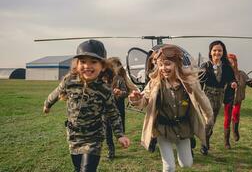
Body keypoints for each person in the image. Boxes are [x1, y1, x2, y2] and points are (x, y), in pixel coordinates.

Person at [42, 40, 130, 172]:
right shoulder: (69, 81)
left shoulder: (104, 89)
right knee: (78, 168)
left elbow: (113, 113)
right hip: (74, 135)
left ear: (103, 66)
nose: (87, 66)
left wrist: (120, 134)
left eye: (93, 62)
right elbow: (57, 92)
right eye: (83, 61)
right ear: (77, 65)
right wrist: (47, 104)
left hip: (94, 136)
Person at [129, 44, 213, 172]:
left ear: (177, 64)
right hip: (163, 130)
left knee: (186, 163)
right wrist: (136, 99)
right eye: (160, 64)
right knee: (168, 167)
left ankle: (187, 151)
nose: (163, 68)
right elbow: (144, 100)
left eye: (167, 64)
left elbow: (203, 100)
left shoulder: (189, 83)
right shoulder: (155, 84)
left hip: (183, 129)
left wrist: (208, 117)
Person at [199, 40, 237, 155]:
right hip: (207, 94)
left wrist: (233, 83)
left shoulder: (226, 66)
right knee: (209, 120)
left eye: (219, 50)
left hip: (220, 95)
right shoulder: (205, 66)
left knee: (212, 122)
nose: (217, 52)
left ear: (223, 52)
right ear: (210, 52)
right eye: (214, 50)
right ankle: (204, 144)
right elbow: (199, 82)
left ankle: (206, 140)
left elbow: (232, 78)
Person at [223, 53, 252, 147]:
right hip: (228, 100)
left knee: (236, 114)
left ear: (235, 62)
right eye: (228, 62)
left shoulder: (242, 74)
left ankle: (235, 130)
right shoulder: (224, 74)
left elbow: (250, 82)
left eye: (231, 62)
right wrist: (229, 84)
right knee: (227, 119)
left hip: (238, 99)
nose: (230, 64)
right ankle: (226, 141)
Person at [105, 57, 138, 160]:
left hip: (118, 108)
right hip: (106, 110)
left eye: (113, 66)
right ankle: (111, 150)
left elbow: (126, 92)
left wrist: (120, 93)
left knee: (120, 129)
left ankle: (120, 138)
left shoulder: (120, 79)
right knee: (107, 131)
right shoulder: (104, 79)